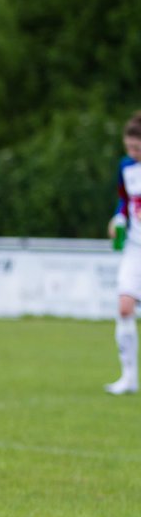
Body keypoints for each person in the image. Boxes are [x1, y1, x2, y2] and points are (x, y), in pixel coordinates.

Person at [105, 111, 141, 394]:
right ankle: (129, 377)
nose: (131, 153)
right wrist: (117, 219)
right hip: (134, 246)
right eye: (128, 147)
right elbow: (123, 200)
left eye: (137, 148)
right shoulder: (126, 167)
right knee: (124, 307)